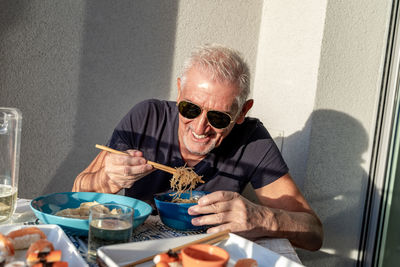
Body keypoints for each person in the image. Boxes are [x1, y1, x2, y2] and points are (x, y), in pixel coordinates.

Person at [73, 44, 323, 251]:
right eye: (190, 109)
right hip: (134, 252)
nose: (200, 127)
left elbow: (313, 234)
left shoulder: (252, 140)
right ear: (179, 92)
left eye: (219, 118)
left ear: (241, 112)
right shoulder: (146, 117)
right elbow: (78, 191)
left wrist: (262, 217)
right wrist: (108, 179)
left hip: (207, 255)